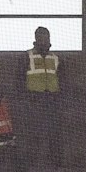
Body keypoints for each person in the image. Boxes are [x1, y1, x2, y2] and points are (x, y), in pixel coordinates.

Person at [23, 27, 61, 164]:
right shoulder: (27, 56)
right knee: (35, 134)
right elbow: (19, 80)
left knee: (54, 134)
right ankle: (33, 164)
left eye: (46, 37)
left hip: (52, 101)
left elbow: (61, 79)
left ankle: (55, 164)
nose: (44, 40)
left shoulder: (55, 58)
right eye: (41, 37)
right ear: (36, 39)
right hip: (34, 101)